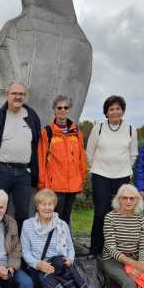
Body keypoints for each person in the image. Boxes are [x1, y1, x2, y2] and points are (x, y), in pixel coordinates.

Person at [0, 81, 42, 232]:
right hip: (1, 171)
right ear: (7, 95)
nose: (18, 97)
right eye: (14, 93)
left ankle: (18, 244)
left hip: (24, 174)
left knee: (23, 213)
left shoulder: (32, 116)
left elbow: (37, 145)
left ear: (25, 96)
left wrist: (36, 174)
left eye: (21, 94)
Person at [86, 95, 138, 256]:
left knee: (119, 213)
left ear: (123, 111)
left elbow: (133, 154)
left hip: (122, 177)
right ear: (106, 112)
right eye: (111, 109)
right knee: (101, 213)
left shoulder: (131, 129)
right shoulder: (98, 128)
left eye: (118, 109)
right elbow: (89, 153)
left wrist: (125, 169)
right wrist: (97, 167)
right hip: (101, 176)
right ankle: (95, 249)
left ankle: (116, 251)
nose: (115, 112)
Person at [37, 95, 87, 225]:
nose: (63, 110)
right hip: (55, 186)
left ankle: (64, 239)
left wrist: (81, 179)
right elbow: (41, 160)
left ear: (69, 109)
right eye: (59, 107)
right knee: (53, 219)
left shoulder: (76, 132)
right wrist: (42, 184)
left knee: (65, 219)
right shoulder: (47, 132)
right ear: (54, 109)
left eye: (66, 107)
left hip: (73, 185)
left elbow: (81, 158)